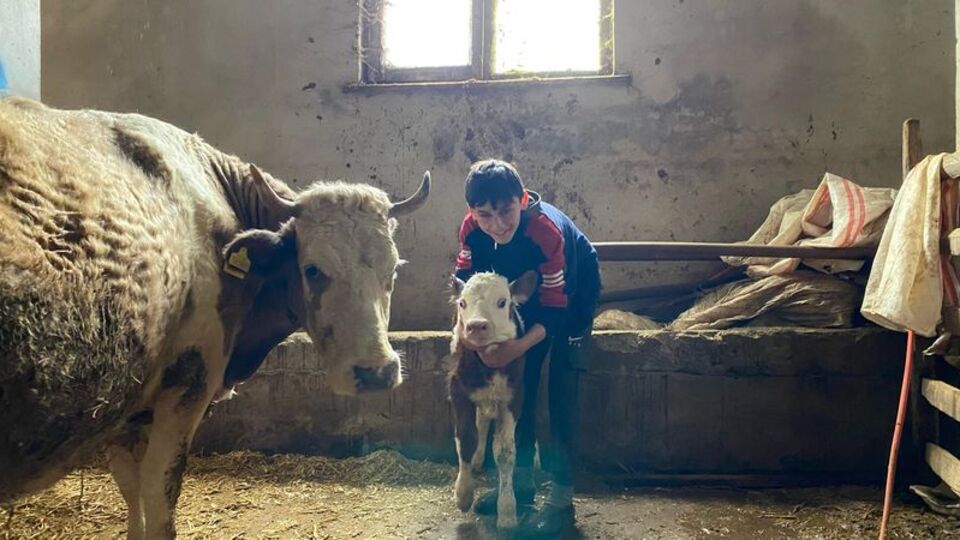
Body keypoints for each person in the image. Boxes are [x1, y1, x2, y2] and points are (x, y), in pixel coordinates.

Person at [453, 158, 601, 536]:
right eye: (485, 215)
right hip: (518, 300)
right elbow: (465, 288)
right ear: (472, 212)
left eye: (505, 211)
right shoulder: (470, 230)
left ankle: (561, 499)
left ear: (521, 201)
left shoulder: (545, 233)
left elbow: (555, 306)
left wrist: (516, 347)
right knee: (521, 388)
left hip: (569, 296)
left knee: (562, 386)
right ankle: (520, 487)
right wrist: (466, 334)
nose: (497, 224)